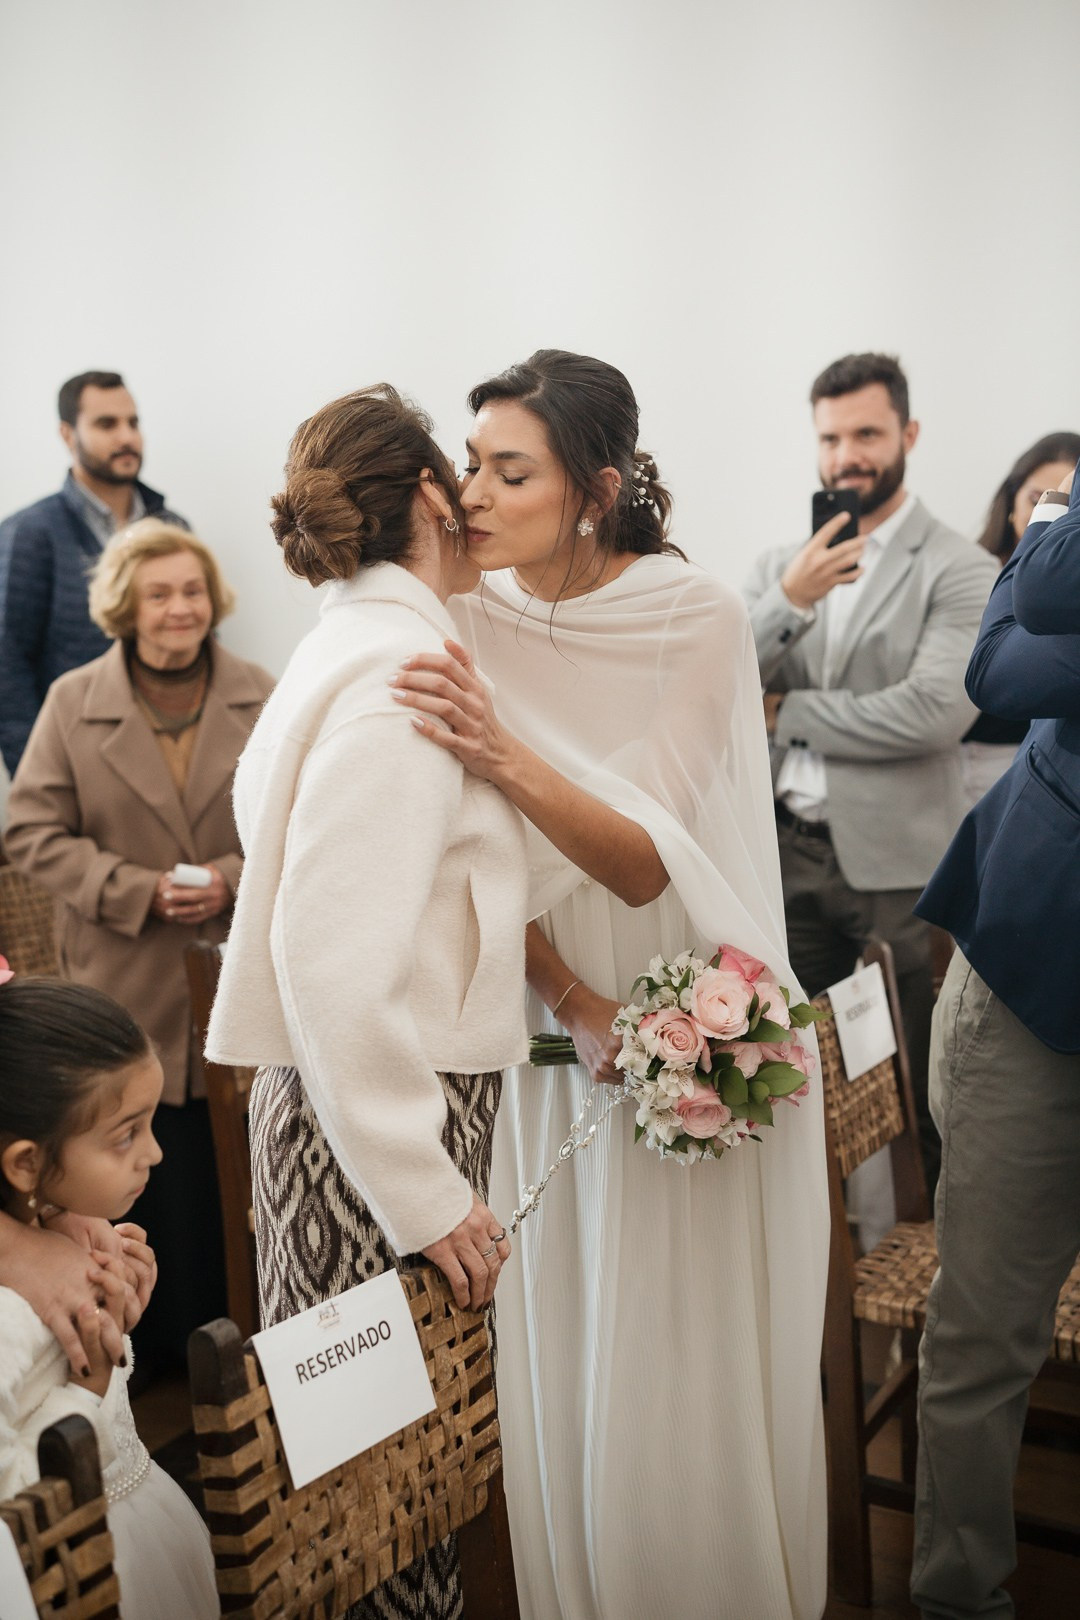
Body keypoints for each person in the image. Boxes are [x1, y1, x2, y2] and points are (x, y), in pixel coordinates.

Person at [391, 350, 829, 1620]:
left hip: (674, 1003)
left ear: (596, 489)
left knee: (675, 1334)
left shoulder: (692, 616)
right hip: (544, 1014)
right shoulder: (460, 615)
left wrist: (498, 750)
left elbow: (641, 862)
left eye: (506, 470)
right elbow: (474, 862)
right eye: (470, 463)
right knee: (570, 1323)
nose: (471, 491)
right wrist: (568, 998)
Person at [204, 385, 529, 1620]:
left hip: (344, 1105)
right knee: (382, 1498)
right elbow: (331, 958)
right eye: (467, 474)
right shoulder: (400, 667)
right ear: (434, 500)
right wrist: (422, 1184)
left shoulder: (347, 640)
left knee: (374, 1488)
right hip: (376, 1127)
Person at [3, 518, 274, 1374]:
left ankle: (235, 1357)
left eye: (192, 590)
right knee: (152, 1170)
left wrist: (230, 876)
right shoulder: (73, 701)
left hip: (234, 974)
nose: (179, 608)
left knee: (233, 1183)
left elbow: (297, 821)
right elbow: (30, 829)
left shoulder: (262, 692)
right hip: (126, 983)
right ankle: (147, 1365)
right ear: (127, 606)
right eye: (158, 593)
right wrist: (134, 889)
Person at [742, 352, 997, 1193]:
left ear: (907, 434)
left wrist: (790, 714)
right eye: (830, 437)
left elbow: (933, 711)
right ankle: (823, 1271)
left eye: (866, 434)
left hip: (897, 867)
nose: (846, 454)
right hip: (786, 857)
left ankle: (923, 1268)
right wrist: (791, 598)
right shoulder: (782, 564)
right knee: (788, 1082)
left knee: (914, 1087)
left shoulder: (960, 568)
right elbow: (723, 684)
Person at [909, 469, 1080, 1620]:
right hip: (1035, 989)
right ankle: (960, 1599)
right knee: (984, 1339)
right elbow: (1000, 667)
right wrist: (1054, 525)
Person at [0, 969, 218, 1619]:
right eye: (126, 1135)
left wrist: (114, 1324)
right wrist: (87, 1387)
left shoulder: (66, 1240)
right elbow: (16, 1512)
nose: (154, 1154)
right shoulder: (11, 1323)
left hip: (146, 1526)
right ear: (25, 1163)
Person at [0, 371, 189, 777]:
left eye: (133, 422)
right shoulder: (31, 533)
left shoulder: (172, 526)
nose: (127, 437)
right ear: (68, 435)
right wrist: (38, 780)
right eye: (107, 424)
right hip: (79, 763)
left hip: (172, 757)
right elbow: (8, 664)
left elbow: (200, 642)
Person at [960, 430, 1080, 806]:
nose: (1046, 507)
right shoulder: (969, 570)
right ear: (1010, 500)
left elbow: (992, 674)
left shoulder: (1055, 597)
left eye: (1062, 499)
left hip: (1019, 760)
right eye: (1037, 497)